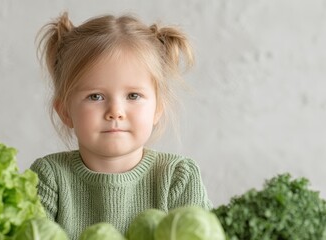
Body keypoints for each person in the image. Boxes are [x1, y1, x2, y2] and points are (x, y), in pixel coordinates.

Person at [30, 12, 212, 239]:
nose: (115, 111)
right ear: (65, 111)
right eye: (95, 96)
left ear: (157, 108)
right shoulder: (49, 177)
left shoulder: (178, 176)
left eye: (133, 96)